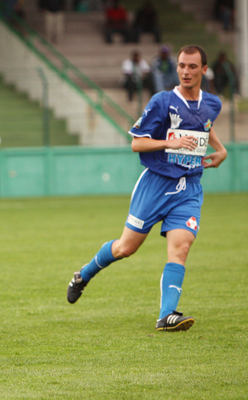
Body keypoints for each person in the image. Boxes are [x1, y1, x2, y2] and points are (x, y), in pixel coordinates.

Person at [67, 45, 228, 332]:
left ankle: (166, 316)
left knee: (181, 247)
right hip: (155, 183)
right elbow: (136, 143)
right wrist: (170, 142)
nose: (185, 71)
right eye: (181, 66)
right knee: (125, 248)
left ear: (204, 69)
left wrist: (221, 150)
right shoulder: (162, 101)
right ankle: (83, 275)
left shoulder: (212, 103)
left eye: (192, 66)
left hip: (189, 186)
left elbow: (204, 124)